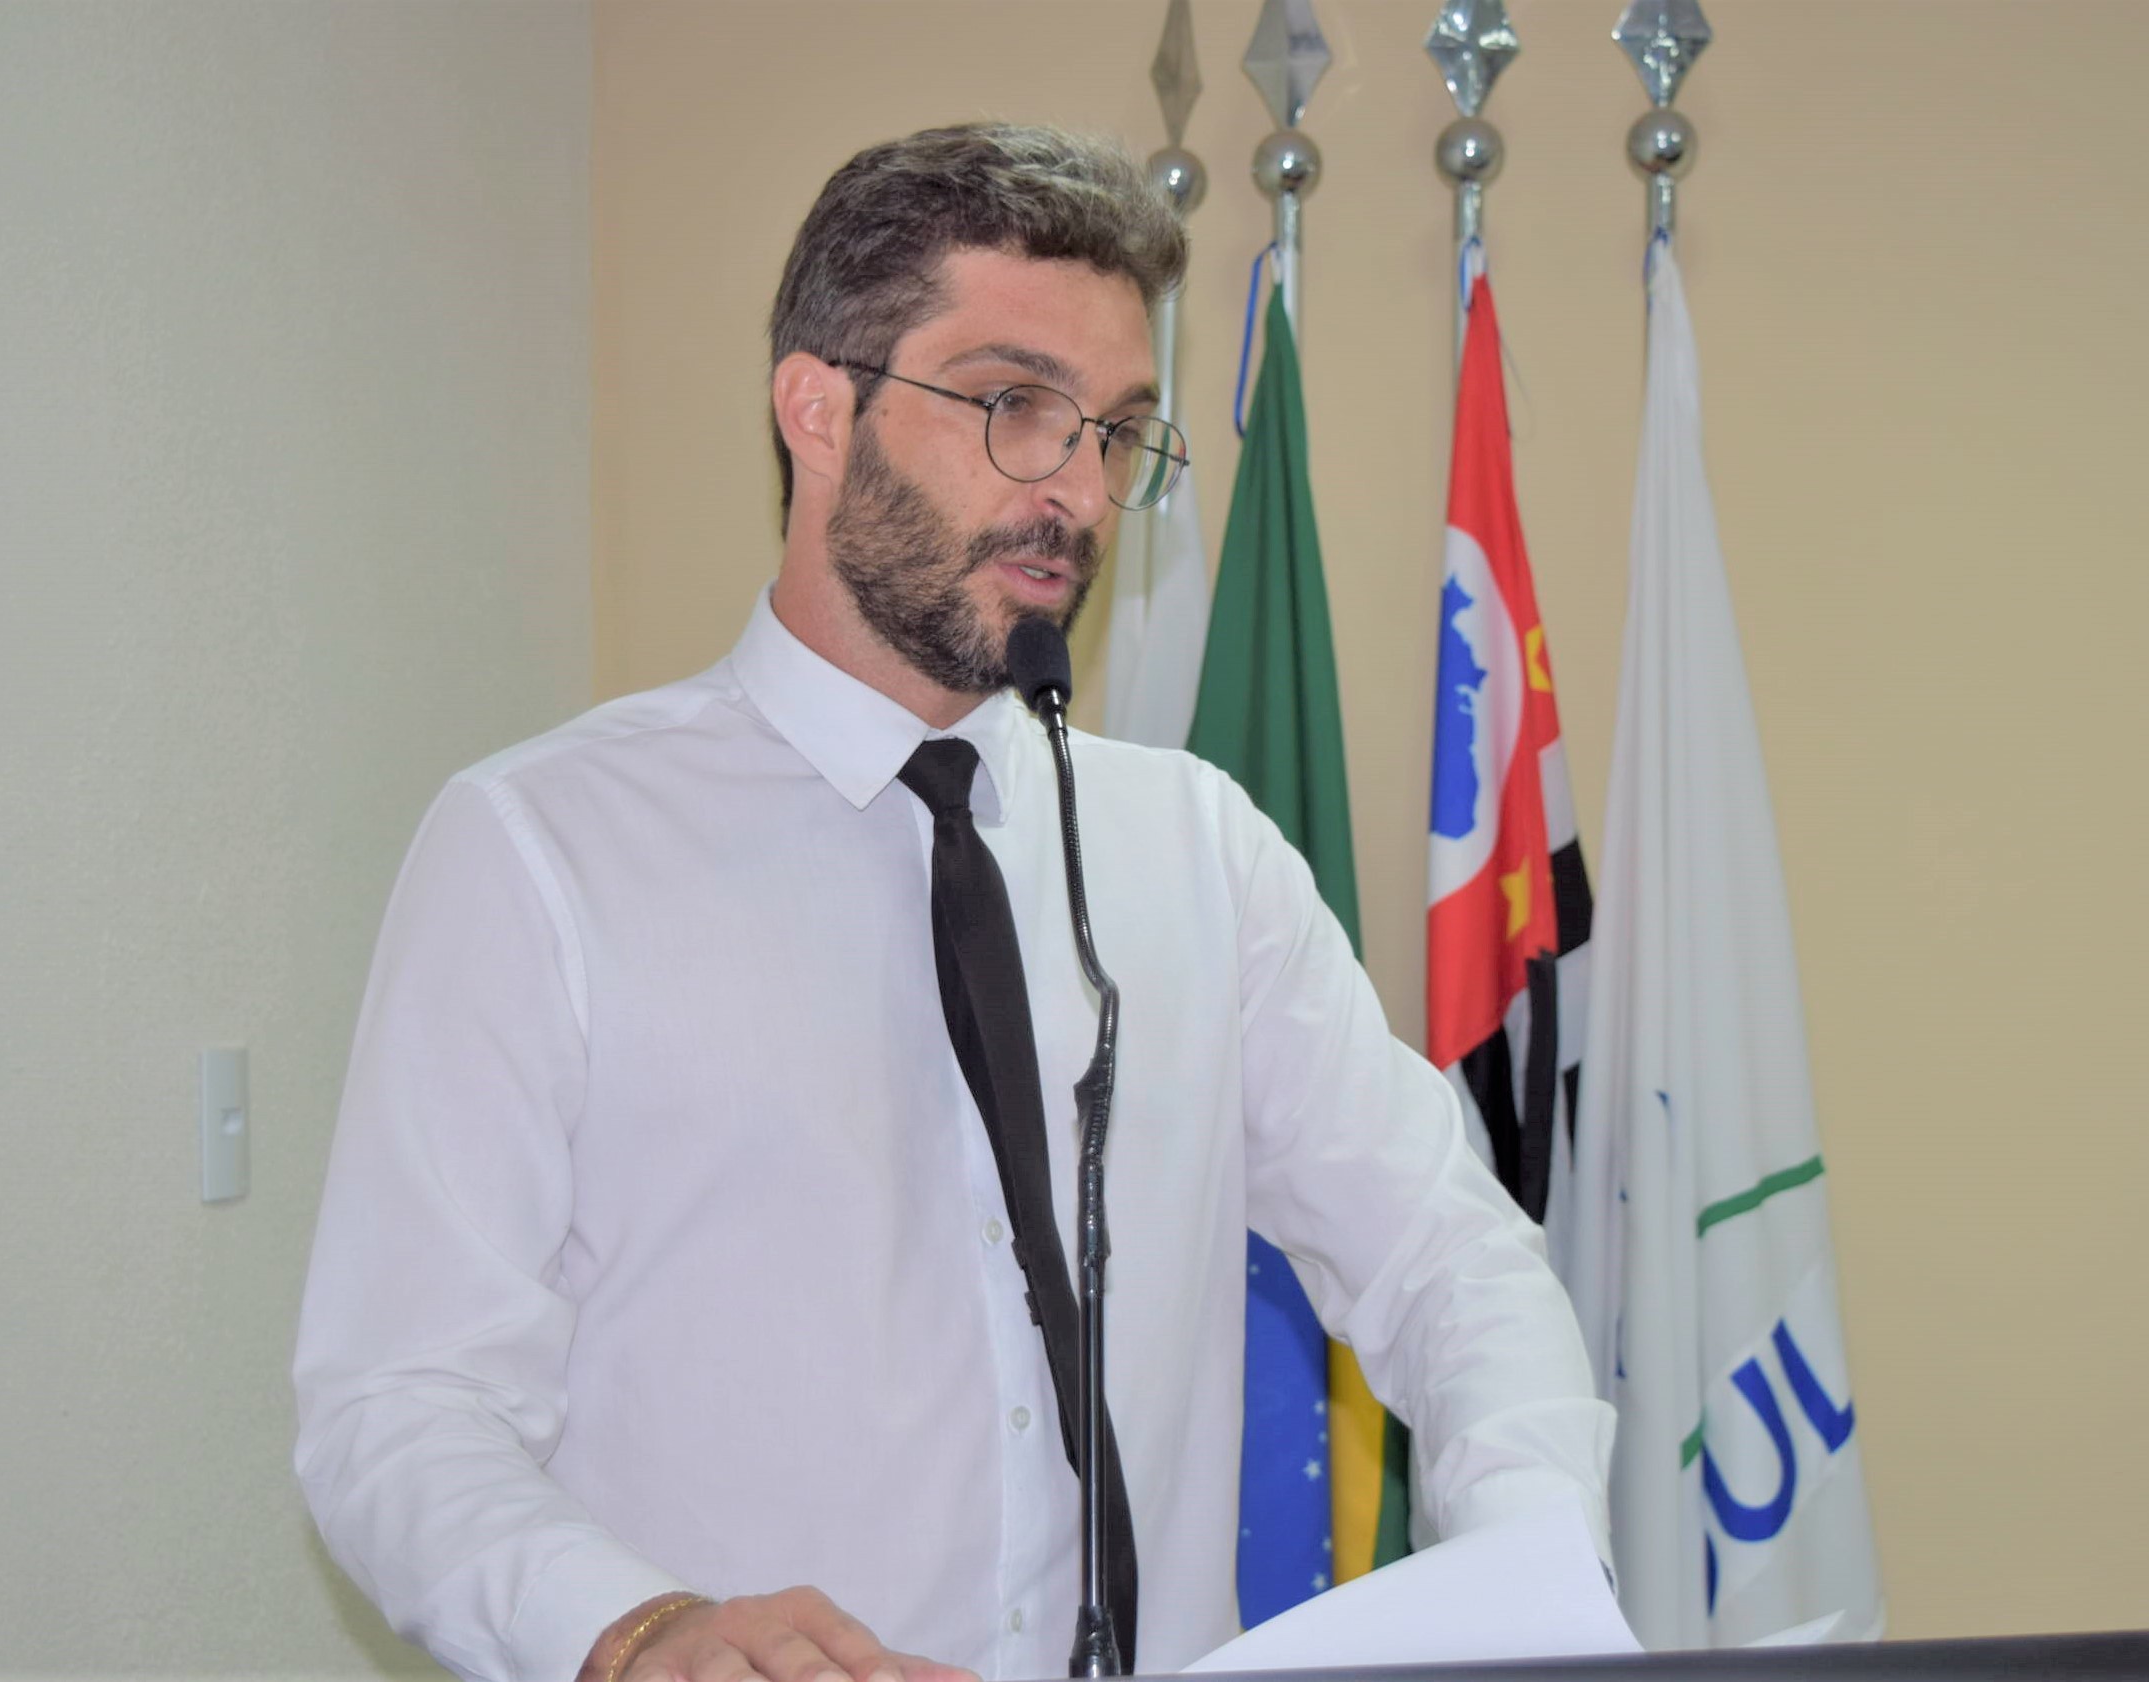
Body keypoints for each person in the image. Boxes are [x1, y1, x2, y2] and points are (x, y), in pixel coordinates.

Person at [293, 123, 1612, 1682]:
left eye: (1118, 431)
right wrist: (638, 1630)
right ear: (818, 409)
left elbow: (1450, 1259)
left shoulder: (1201, 854)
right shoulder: (540, 850)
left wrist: (1528, 1576)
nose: (1080, 494)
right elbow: (399, 1403)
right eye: (1013, 407)